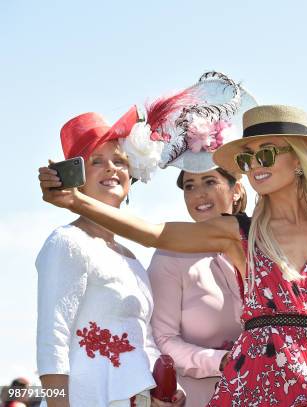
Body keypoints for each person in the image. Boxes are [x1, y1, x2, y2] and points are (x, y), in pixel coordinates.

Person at [38, 105, 307, 406]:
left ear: (298, 159)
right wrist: (74, 201)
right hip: (250, 384)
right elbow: (154, 232)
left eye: (265, 154)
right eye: (245, 159)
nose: (254, 165)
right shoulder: (237, 231)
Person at [36, 109, 187, 407]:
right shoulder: (67, 242)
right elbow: (51, 341)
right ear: (76, 179)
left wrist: (166, 391)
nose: (111, 169)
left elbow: (141, 339)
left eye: (120, 161)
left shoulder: (131, 257)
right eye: (97, 161)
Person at [148, 73, 252, 407]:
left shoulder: (264, 245)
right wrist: (219, 361)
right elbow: (162, 340)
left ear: (237, 191)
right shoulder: (170, 253)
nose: (198, 195)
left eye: (209, 182)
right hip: (201, 398)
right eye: (189, 186)